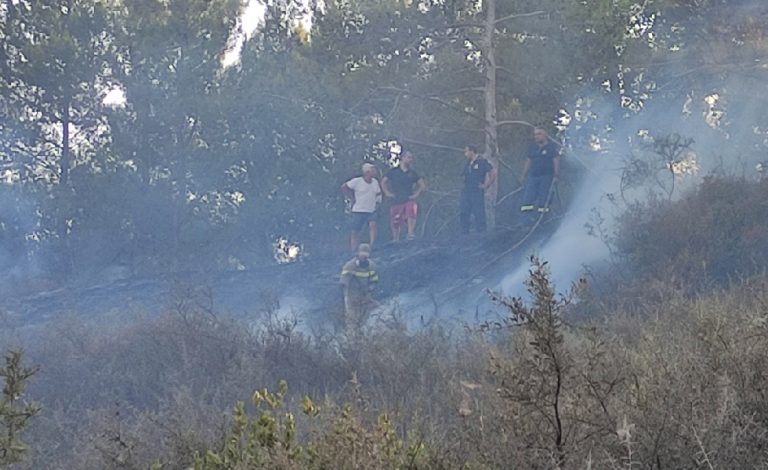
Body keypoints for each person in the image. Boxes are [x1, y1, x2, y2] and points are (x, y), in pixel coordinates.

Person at [381, 151, 426, 241]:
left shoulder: (413, 173)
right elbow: (383, 182)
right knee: (395, 219)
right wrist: (387, 193)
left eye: (411, 158)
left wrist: (416, 194)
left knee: (411, 210)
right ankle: (395, 239)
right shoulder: (393, 171)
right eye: (408, 157)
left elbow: (422, 185)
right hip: (396, 198)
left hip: (408, 198)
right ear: (402, 158)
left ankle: (410, 234)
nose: (410, 160)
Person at [519, 127, 560, 226]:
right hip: (533, 177)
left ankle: (543, 221)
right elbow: (528, 161)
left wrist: (556, 175)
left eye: (539, 134)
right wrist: (523, 175)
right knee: (528, 199)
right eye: (535, 134)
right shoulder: (533, 148)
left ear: (545, 135)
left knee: (544, 200)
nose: (536, 136)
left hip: (546, 177)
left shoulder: (551, 147)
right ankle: (526, 221)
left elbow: (556, 160)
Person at [341, 163, 382, 252]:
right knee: (355, 230)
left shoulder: (375, 182)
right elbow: (344, 187)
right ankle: (354, 249)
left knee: (373, 225)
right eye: (373, 170)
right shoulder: (357, 181)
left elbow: (378, 193)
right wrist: (351, 197)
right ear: (367, 172)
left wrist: (378, 202)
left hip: (371, 209)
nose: (375, 172)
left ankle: (372, 245)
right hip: (359, 210)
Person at [339, 243, 379, 329]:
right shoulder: (350, 265)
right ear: (358, 253)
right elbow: (343, 281)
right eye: (362, 254)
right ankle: (351, 335)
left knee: (367, 314)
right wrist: (346, 293)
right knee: (352, 318)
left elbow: (374, 279)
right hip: (351, 295)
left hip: (365, 294)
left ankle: (363, 331)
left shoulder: (372, 266)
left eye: (366, 254)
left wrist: (371, 287)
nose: (363, 257)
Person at [460, 145, 496, 234]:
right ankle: (464, 235)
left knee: (479, 213)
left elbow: (493, 172)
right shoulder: (468, 163)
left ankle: (482, 234)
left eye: (466, 151)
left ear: (472, 151)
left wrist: (486, 185)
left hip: (476, 191)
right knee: (464, 212)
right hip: (467, 191)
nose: (465, 154)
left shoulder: (481, 161)